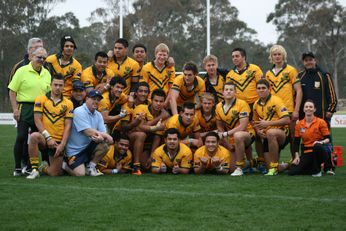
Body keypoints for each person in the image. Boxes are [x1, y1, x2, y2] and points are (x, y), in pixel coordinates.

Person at [8, 47, 51, 176]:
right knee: (21, 137)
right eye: (39, 57)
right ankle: (18, 167)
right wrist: (15, 109)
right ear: (31, 56)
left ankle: (43, 164)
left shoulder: (47, 73)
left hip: (41, 109)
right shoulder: (21, 71)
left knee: (40, 137)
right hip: (25, 107)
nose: (41, 60)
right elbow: (12, 91)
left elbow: (48, 94)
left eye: (44, 58)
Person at [26, 74, 73, 179]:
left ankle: (44, 167)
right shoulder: (40, 99)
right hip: (45, 138)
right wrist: (48, 137)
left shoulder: (68, 103)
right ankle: (34, 170)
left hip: (57, 142)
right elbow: (37, 120)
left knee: (54, 173)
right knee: (33, 136)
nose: (58, 87)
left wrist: (62, 145)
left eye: (60, 85)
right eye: (55, 85)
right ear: (51, 85)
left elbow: (68, 125)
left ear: (64, 86)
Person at [64, 90, 113, 176]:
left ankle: (91, 167)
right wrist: (105, 136)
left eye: (98, 100)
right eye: (93, 98)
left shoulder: (98, 115)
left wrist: (101, 137)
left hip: (88, 147)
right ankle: (63, 164)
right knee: (80, 174)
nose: (96, 101)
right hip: (75, 151)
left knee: (104, 145)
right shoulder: (79, 111)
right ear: (86, 99)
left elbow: (102, 133)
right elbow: (87, 131)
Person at [265, 45, 302, 158]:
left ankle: (294, 161)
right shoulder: (268, 74)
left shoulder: (291, 70)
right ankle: (275, 165)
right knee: (274, 138)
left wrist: (296, 110)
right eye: (274, 54)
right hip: (274, 112)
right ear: (271, 57)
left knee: (292, 137)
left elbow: (299, 90)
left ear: (283, 56)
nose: (277, 57)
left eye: (279, 54)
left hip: (289, 111)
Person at [252, 79, 290, 176]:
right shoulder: (256, 104)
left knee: (271, 132)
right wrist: (258, 130)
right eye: (259, 88)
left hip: (282, 133)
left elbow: (287, 120)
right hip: (267, 137)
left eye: (263, 88)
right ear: (256, 90)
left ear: (269, 89)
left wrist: (268, 124)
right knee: (272, 168)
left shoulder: (276, 100)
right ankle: (287, 165)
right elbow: (254, 122)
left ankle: (274, 165)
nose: (261, 90)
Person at [215, 82, 254, 174]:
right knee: (231, 168)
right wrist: (227, 141)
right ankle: (250, 163)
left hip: (247, 133)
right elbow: (219, 125)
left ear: (235, 92)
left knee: (238, 135)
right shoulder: (218, 106)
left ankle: (240, 168)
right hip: (230, 136)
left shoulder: (242, 104)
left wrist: (226, 134)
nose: (228, 92)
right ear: (222, 92)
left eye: (231, 90)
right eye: (226, 90)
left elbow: (243, 126)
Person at [130, 89, 170, 175]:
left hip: (148, 144)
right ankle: (136, 166)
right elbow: (139, 128)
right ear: (151, 100)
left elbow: (157, 136)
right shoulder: (141, 108)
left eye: (161, 101)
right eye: (156, 101)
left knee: (146, 166)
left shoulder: (165, 114)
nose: (158, 104)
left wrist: (152, 154)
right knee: (141, 135)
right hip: (132, 140)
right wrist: (156, 126)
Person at [288, 100, 332, 177]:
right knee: (292, 171)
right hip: (307, 152)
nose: (308, 108)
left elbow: (328, 138)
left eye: (311, 107)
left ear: (314, 109)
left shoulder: (321, 122)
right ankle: (312, 169)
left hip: (320, 151)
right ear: (303, 109)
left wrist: (321, 143)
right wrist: (297, 156)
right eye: (306, 107)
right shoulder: (299, 124)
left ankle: (317, 170)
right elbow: (296, 143)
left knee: (317, 146)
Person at [298, 52, 337, 127]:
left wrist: (331, 109)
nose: (308, 62)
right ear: (303, 62)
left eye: (310, 60)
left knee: (325, 138)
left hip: (322, 115)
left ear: (314, 61)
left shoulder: (324, 75)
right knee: (307, 137)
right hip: (304, 115)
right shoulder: (299, 76)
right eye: (306, 60)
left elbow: (332, 94)